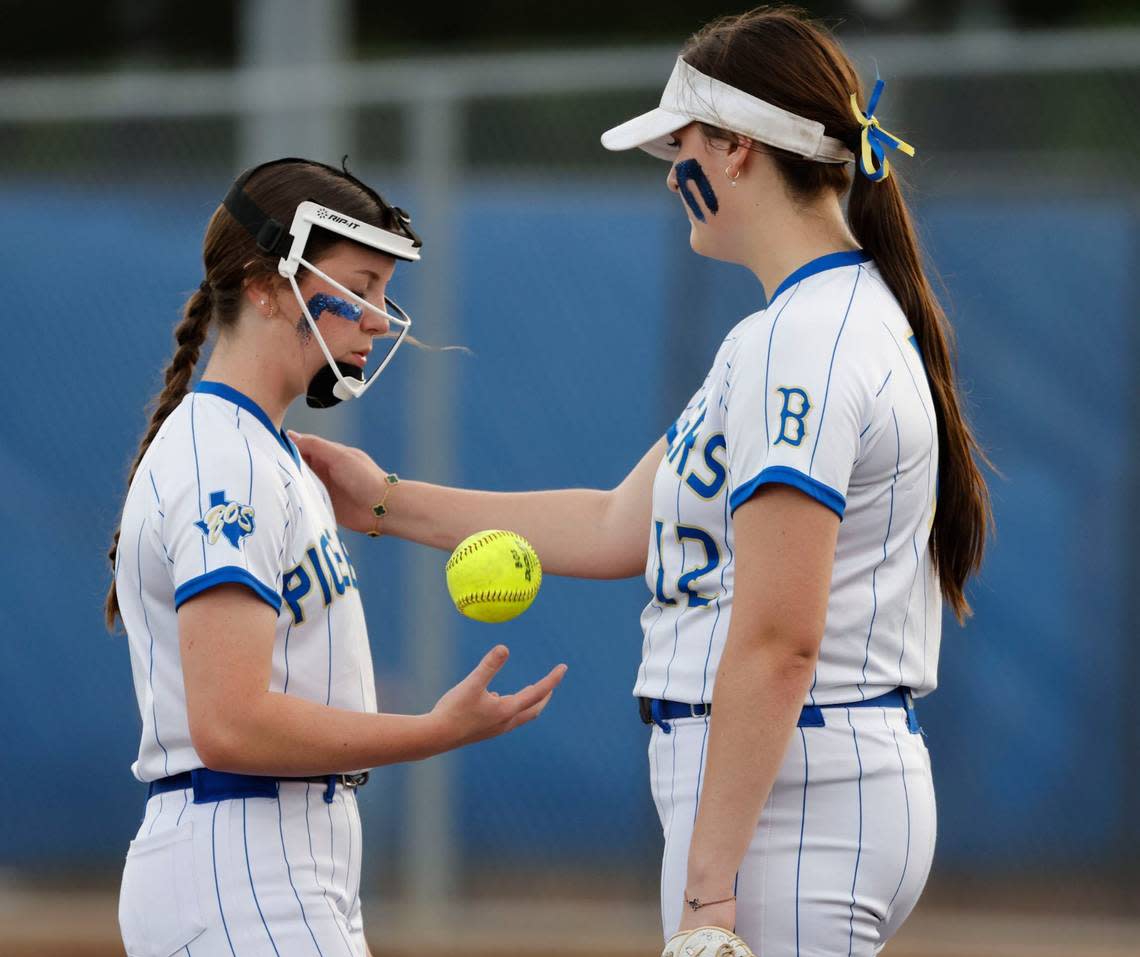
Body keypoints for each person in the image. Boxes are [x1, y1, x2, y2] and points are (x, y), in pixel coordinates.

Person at [291, 7, 992, 955]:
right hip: (793, 788)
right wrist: (381, 500)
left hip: (793, 798)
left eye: (683, 144)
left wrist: (709, 895)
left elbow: (783, 636)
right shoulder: (792, 328)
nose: (672, 173)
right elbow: (622, 522)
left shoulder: (807, 340)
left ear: (741, 148)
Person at [105, 156, 567, 957]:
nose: (381, 317)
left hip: (271, 856)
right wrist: (432, 731)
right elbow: (230, 722)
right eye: (363, 284)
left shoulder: (264, 450)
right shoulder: (229, 460)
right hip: (242, 859)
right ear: (265, 282)